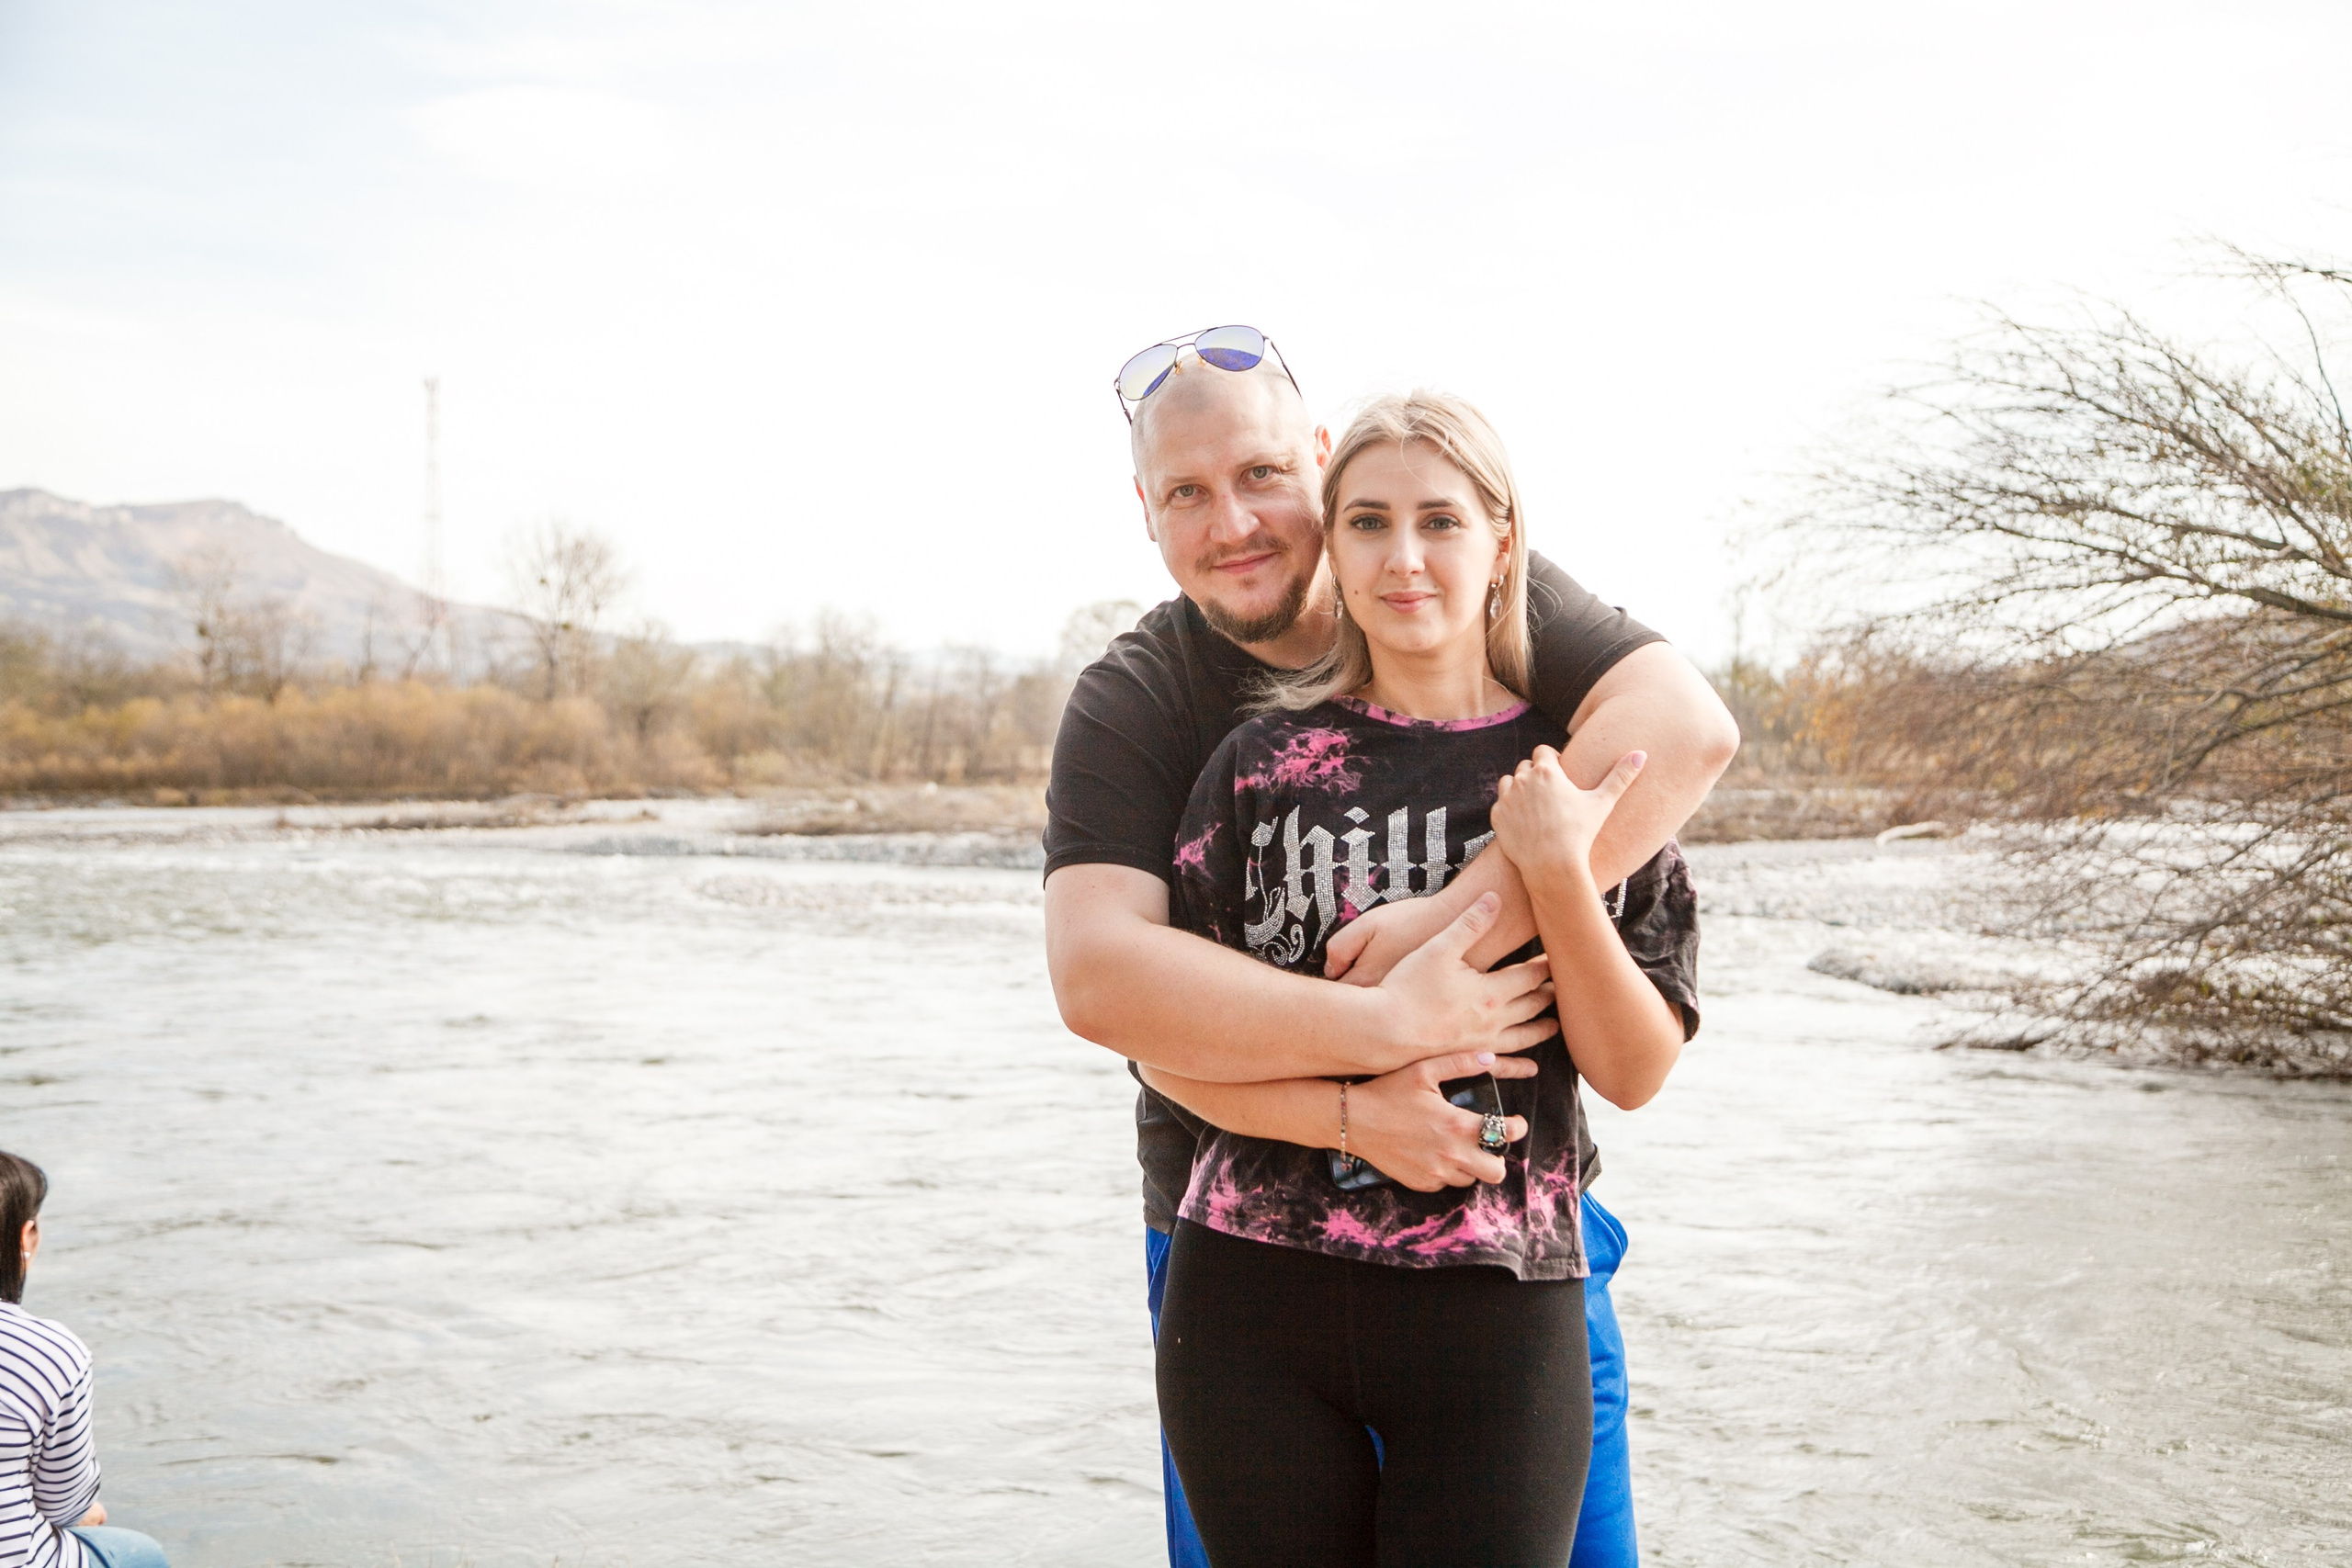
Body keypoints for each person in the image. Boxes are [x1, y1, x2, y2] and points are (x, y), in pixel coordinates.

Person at [1043, 329, 1736, 1565]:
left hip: (1514, 1254)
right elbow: (1112, 986)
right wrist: (1379, 1052)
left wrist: (1463, 913)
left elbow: (1684, 730)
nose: (1236, 521)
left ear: (1314, 461)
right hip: (1243, 1247)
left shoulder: (1493, 614)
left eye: (1260, 475)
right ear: (1145, 511)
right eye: (1188, 493)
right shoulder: (1164, 713)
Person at [1, 1152, 171, 1568]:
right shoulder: (46, 1351)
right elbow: (63, 1505)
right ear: (26, 1237)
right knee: (138, 1552)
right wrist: (83, 1511)